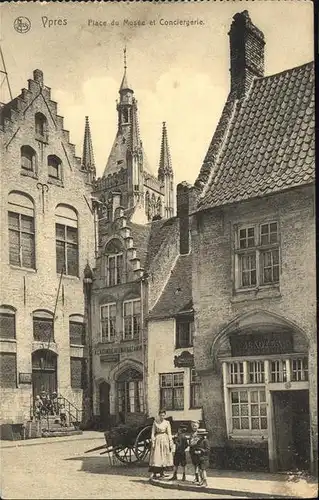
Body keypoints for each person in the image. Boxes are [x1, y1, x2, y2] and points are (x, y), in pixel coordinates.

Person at [149, 409, 174, 479]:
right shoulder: (155, 422)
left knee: (164, 455)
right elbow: (152, 433)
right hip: (157, 439)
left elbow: (169, 433)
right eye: (161, 415)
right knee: (157, 456)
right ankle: (154, 472)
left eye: (163, 415)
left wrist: (170, 441)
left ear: (165, 415)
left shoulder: (167, 423)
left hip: (165, 439)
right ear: (159, 415)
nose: (162, 417)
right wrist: (153, 441)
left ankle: (162, 472)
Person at [189, 420, 201, 484]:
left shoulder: (200, 433)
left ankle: (200, 478)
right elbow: (190, 442)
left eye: (195, 426)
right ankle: (196, 477)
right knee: (195, 464)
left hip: (198, 450)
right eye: (193, 426)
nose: (194, 427)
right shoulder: (191, 433)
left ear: (198, 426)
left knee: (199, 465)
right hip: (192, 451)